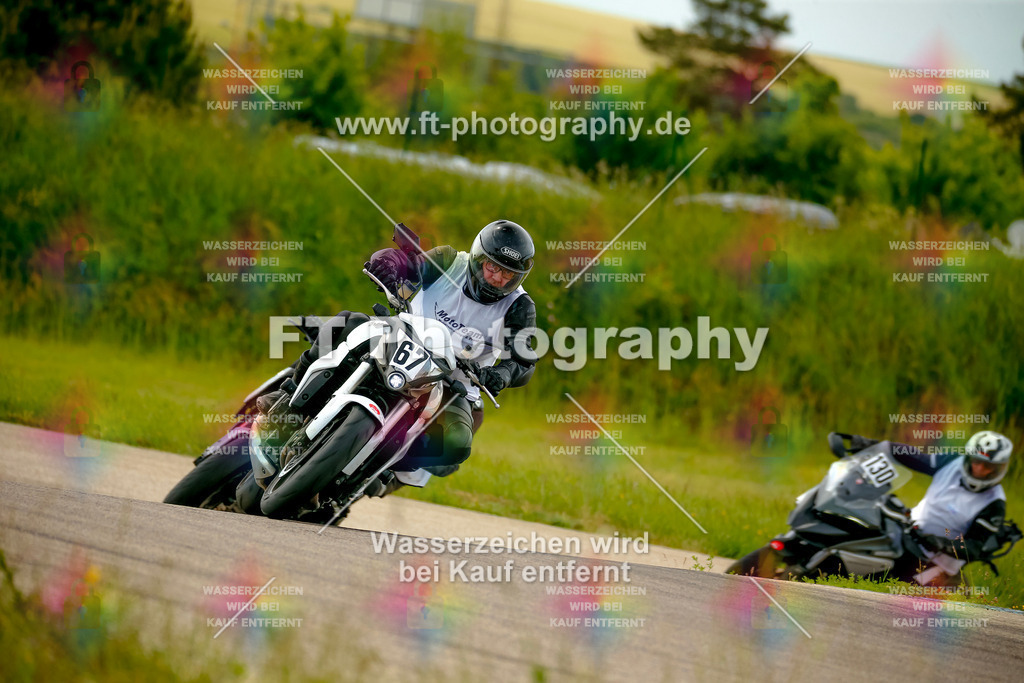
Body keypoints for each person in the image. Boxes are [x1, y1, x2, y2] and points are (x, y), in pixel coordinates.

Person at [258, 220, 538, 497]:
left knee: (457, 444)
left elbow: (523, 361)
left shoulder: (519, 307)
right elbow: (409, 263)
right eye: (493, 268)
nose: (499, 279)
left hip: (452, 382)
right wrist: (389, 264)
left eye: (509, 274)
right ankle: (288, 401)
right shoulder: (450, 262)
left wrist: (501, 374)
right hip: (399, 339)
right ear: (479, 259)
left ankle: (381, 470)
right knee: (344, 323)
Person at [853, 431, 1013, 583]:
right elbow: (915, 457)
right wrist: (876, 445)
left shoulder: (995, 503)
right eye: (977, 461)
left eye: (988, 466)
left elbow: (974, 548)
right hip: (907, 534)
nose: (979, 469)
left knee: (884, 584)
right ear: (969, 458)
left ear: (999, 468)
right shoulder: (952, 462)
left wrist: (942, 544)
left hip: (936, 563)